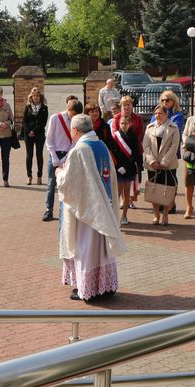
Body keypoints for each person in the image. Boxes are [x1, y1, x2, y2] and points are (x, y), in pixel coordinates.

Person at [58, 114, 127, 302]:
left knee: (86, 249)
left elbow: (69, 182)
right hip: (103, 206)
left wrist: (59, 173)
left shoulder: (80, 150)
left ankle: (88, 289)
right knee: (102, 250)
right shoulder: (101, 145)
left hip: (87, 212)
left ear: (75, 130)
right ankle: (104, 287)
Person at [42, 98, 82, 221]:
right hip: (55, 154)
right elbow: (49, 139)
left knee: (67, 184)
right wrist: (54, 157)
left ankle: (66, 211)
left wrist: (66, 157)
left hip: (68, 154)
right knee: (51, 183)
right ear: (68, 109)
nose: (74, 117)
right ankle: (49, 209)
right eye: (73, 114)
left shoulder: (76, 122)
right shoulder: (55, 118)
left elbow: (75, 141)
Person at [143, 104, 180, 226]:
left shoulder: (173, 127)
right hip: (153, 165)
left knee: (167, 190)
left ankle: (165, 214)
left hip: (168, 165)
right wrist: (152, 161)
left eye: (160, 113)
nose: (158, 115)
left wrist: (164, 162)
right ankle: (156, 214)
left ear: (166, 114)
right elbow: (146, 146)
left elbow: (174, 146)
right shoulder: (149, 127)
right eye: (156, 113)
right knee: (154, 190)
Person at [111, 114, 142, 225]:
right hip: (118, 168)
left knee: (127, 193)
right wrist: (118, 167)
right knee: (117, 193)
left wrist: (126, 166)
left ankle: (124, 215)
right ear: (119, 124)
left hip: (128, 169)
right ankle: (114, 216)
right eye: (122, 123)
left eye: (126, 123)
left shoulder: (133, 136)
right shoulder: (115, 136)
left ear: (129, 124)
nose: (123, 125)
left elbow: (135, 154)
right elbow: (113, 153)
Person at [22, 87, 48, 185]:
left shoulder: (44, 108)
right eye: (34, 96)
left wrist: (34, 131)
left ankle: (39, 176)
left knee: (39, 154)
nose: (36, 97)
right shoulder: (28, 107)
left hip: (39, 134)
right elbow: (24, 121)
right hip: (28, 135)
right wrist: (28, 131)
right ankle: (29, 176)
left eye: (37, 96)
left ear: (40, 97)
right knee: (29, 155)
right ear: (31, 97)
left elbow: (43, 123)